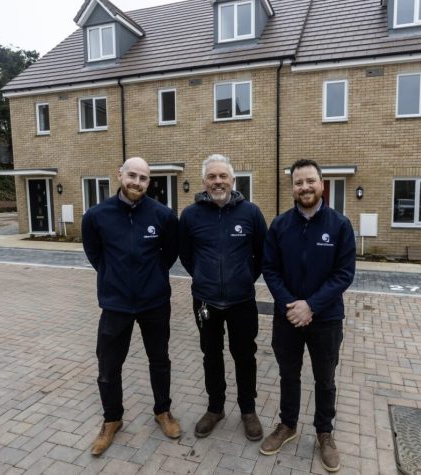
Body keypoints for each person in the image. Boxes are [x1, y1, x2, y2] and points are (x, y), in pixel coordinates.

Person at [259, 159, 356, 472]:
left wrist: (311, 305)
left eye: (310, 181)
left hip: (326, 319)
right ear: (292, 188)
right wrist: (292, 305)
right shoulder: (280, 225)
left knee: (324, 378)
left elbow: (344, 274)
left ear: (321, 184)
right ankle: (288, 425)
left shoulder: (339, 225)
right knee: (289, 373)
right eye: (298, 182)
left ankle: (324, 433)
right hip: (287, 317)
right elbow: (270, 269)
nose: (304, 187)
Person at [82, 156, 181, 456]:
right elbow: (95, 255)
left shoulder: (163, 215)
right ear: (120, 175)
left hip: (154, 303)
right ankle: (112, 419)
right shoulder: (96, 216)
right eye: (132, 175)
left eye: (143, 178)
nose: (136, 182)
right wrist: (114, 277)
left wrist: (150, 277)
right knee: (108, 367)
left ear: (149, 182)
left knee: (159, 360)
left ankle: (162, 411)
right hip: (116, 305)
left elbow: (170, 253)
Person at [179, 154, 267, 441]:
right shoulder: (190, 215)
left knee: (245, 356)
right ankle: (215, 408)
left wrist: (243, 278)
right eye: (212, 177)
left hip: (242, 301)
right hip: (206, 301)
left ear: (232, 180)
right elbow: (186, 255)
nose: (218, 181)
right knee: (211, 355)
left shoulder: (251, 213)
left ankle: (248, 410)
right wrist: (204, 278)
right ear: (204, 181)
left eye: (223, 176)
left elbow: (261, 254)